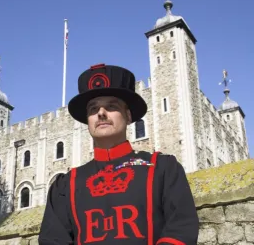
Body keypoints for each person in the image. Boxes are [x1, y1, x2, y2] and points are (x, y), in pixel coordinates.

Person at [38, 64, 199, 245]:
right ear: (87, 121)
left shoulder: (162, 169)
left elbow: (181, 229)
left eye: (111, 106)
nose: (101, 113)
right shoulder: (66, 186)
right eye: (93, 109)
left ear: (128, 116)